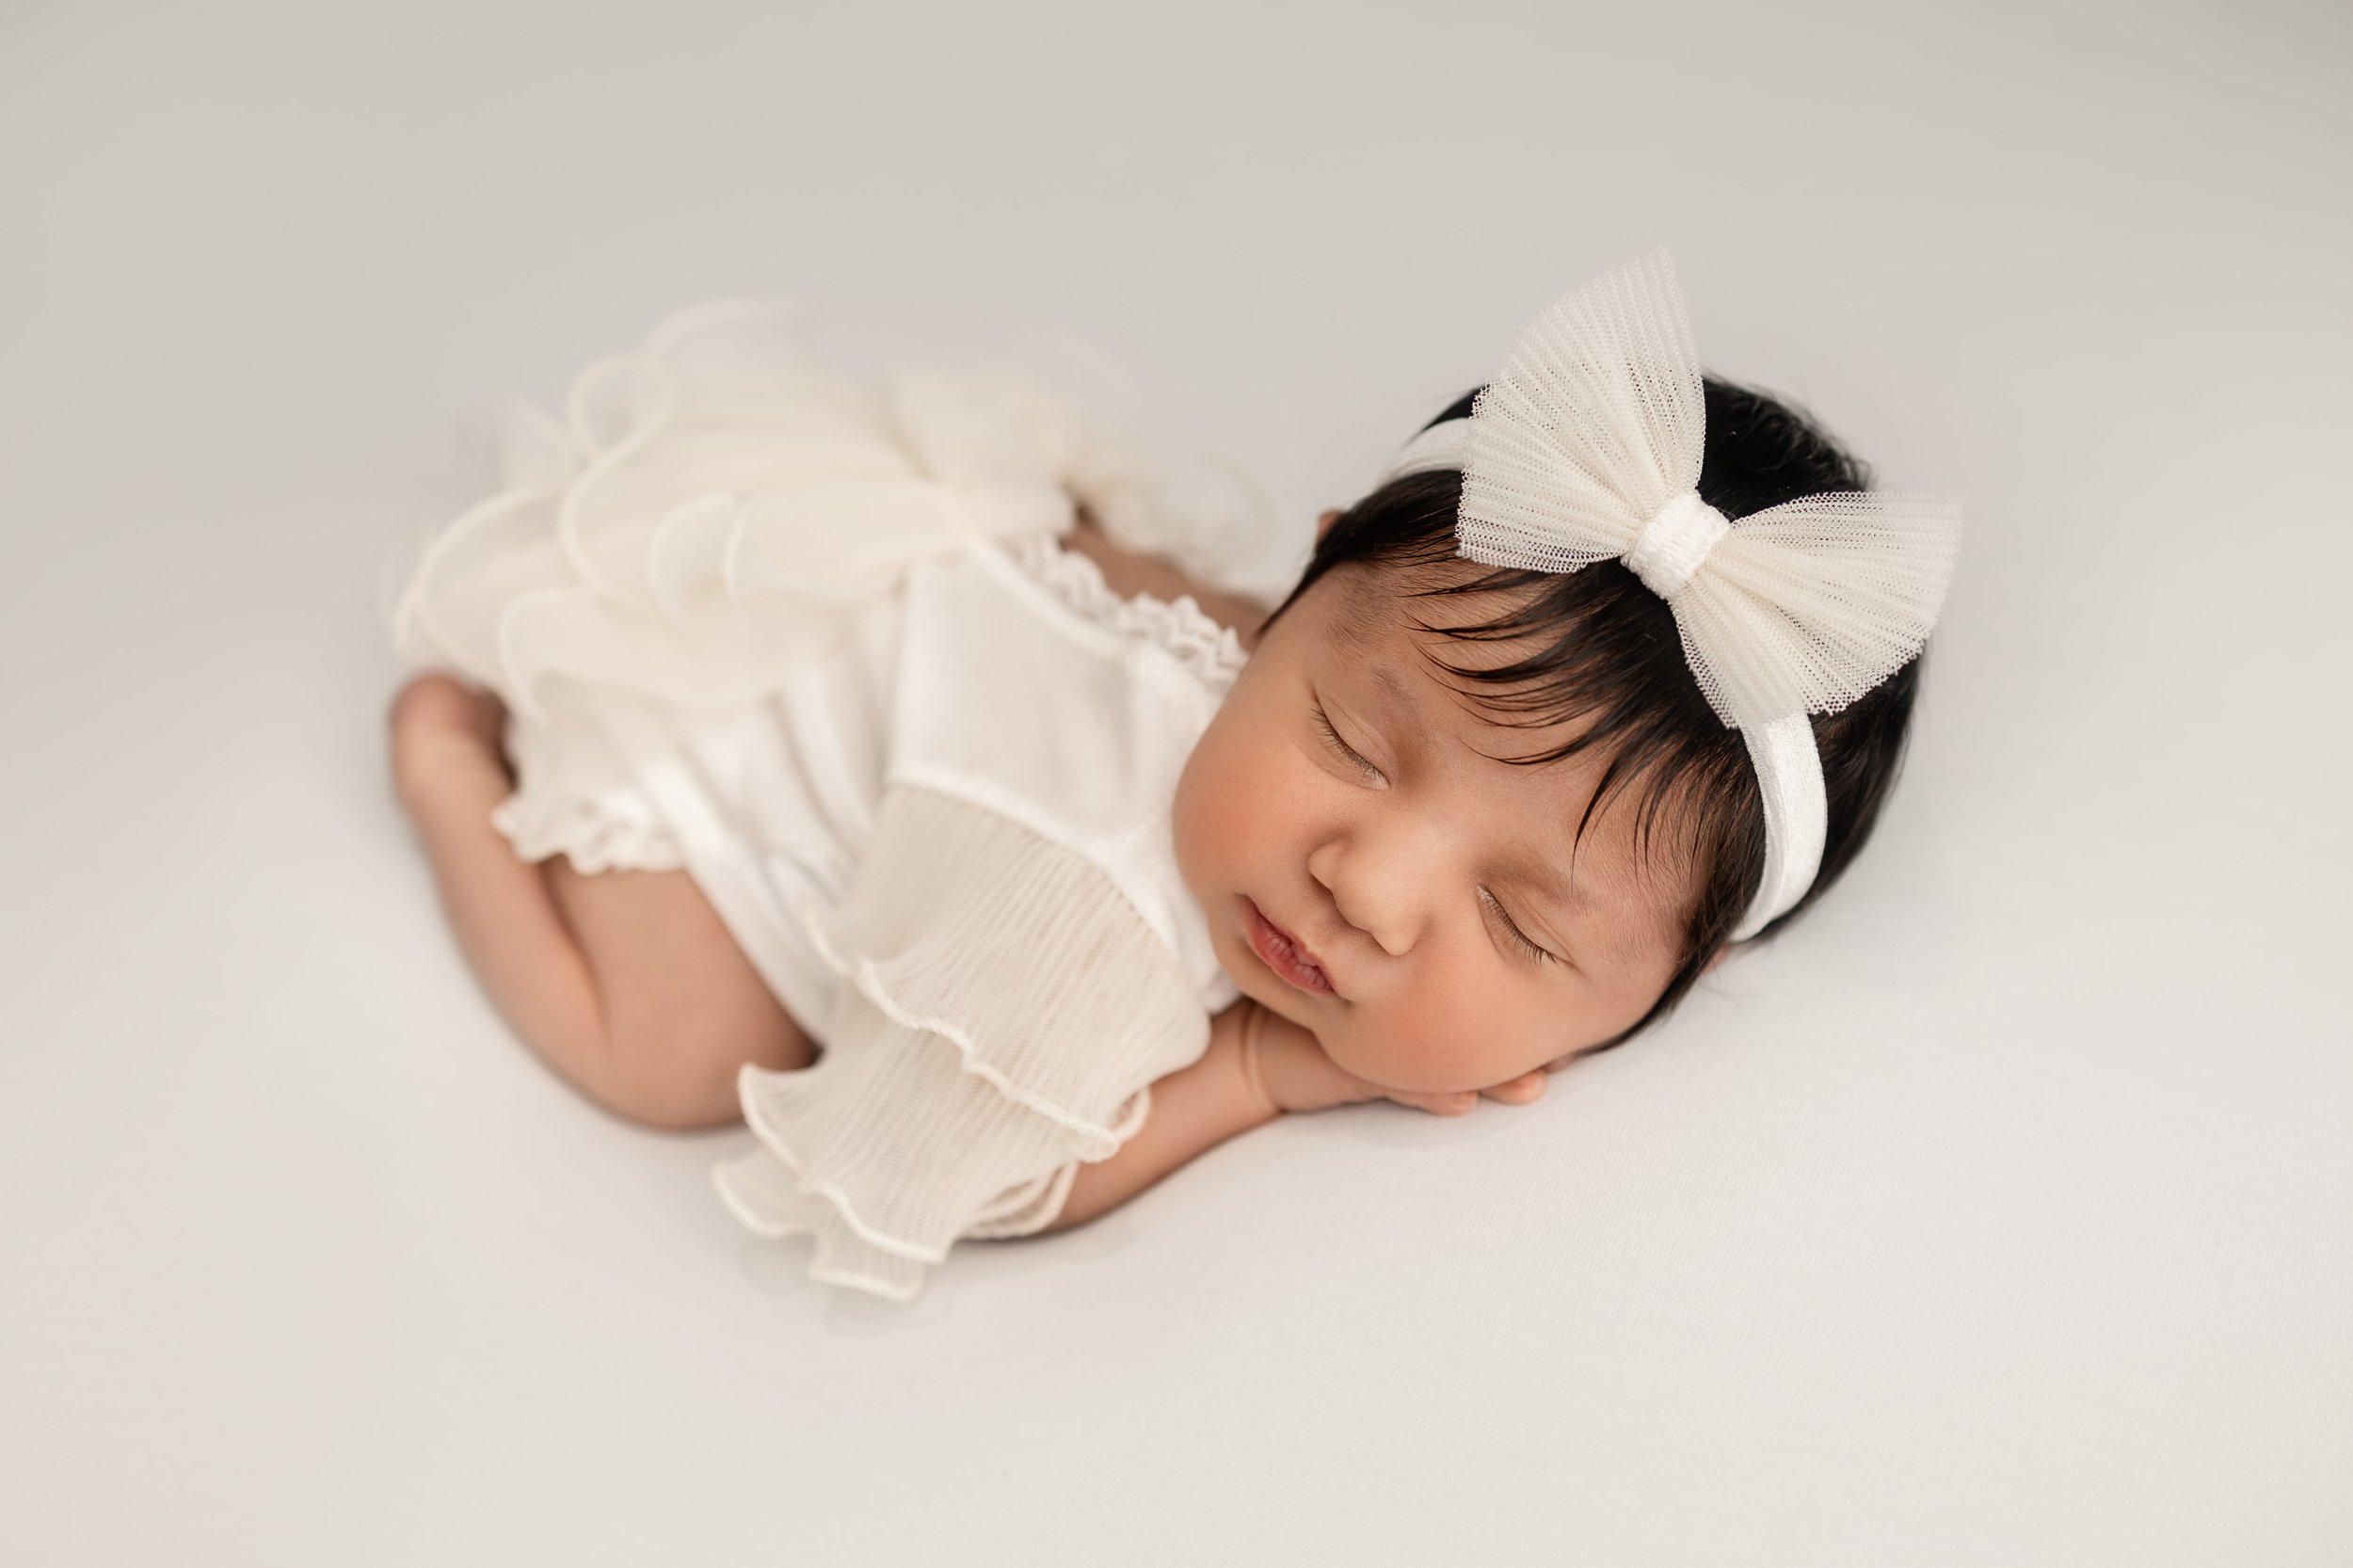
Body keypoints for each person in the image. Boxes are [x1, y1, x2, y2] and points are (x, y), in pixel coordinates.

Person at [386, 253, 1961, 1301]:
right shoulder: (1085, 885)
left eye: (1523, 924)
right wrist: (1259, 1074)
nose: (1371, 882)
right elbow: (957, 1162)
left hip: (914, 590)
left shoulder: (1298, 666)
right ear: (1309, 572)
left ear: (1678, 976)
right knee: (662, 1058)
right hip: (719, 709)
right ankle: (451, 765)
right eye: (1352, 737)